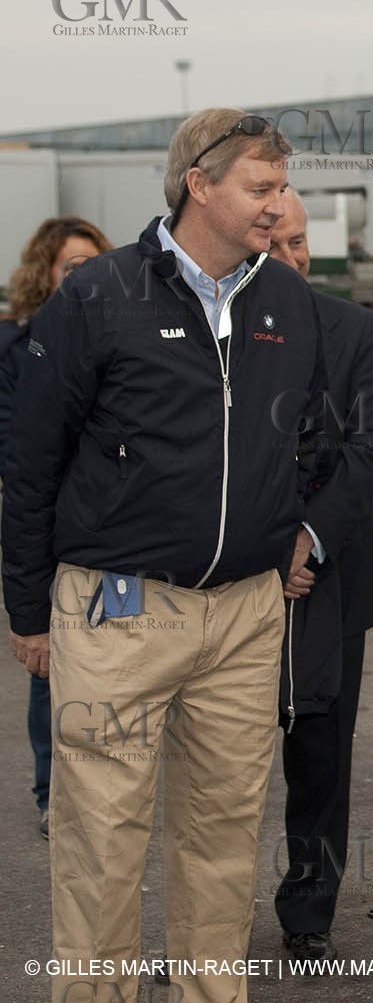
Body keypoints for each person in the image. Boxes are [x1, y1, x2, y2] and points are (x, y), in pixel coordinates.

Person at [3, 108, 325, 1003]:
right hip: (119, 610)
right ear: (200, 186)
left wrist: (280, 528)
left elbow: (310, 438)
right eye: (260, 188)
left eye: (283, 186)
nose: (279, 205)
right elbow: (30, 461)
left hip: (247, 615)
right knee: (102, 840)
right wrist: (28, 610)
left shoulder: (286, 298)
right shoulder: (97, 295)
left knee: (223, 837)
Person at [269, 187, 373, 962]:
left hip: (334, 572)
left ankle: (309, 910)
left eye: (300, 243)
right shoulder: (210, 334)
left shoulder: (354, 328)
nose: (291, 259)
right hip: (232, 577)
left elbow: (369, 450)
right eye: (273, 244)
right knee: (220, 758)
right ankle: (205, 913)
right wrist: (266, 547)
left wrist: (307, 540)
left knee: (322, 756)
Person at [1, 215, 114, 839]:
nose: (83, 277)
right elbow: (14, 448)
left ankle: (112, 788)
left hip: (116, 536)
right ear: (43, 274)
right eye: (71, 266)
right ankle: (53, 793)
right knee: (52, 669)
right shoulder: (15, 347)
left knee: (122, 662)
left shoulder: (120, 335)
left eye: (93, 264)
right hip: (50, 531)